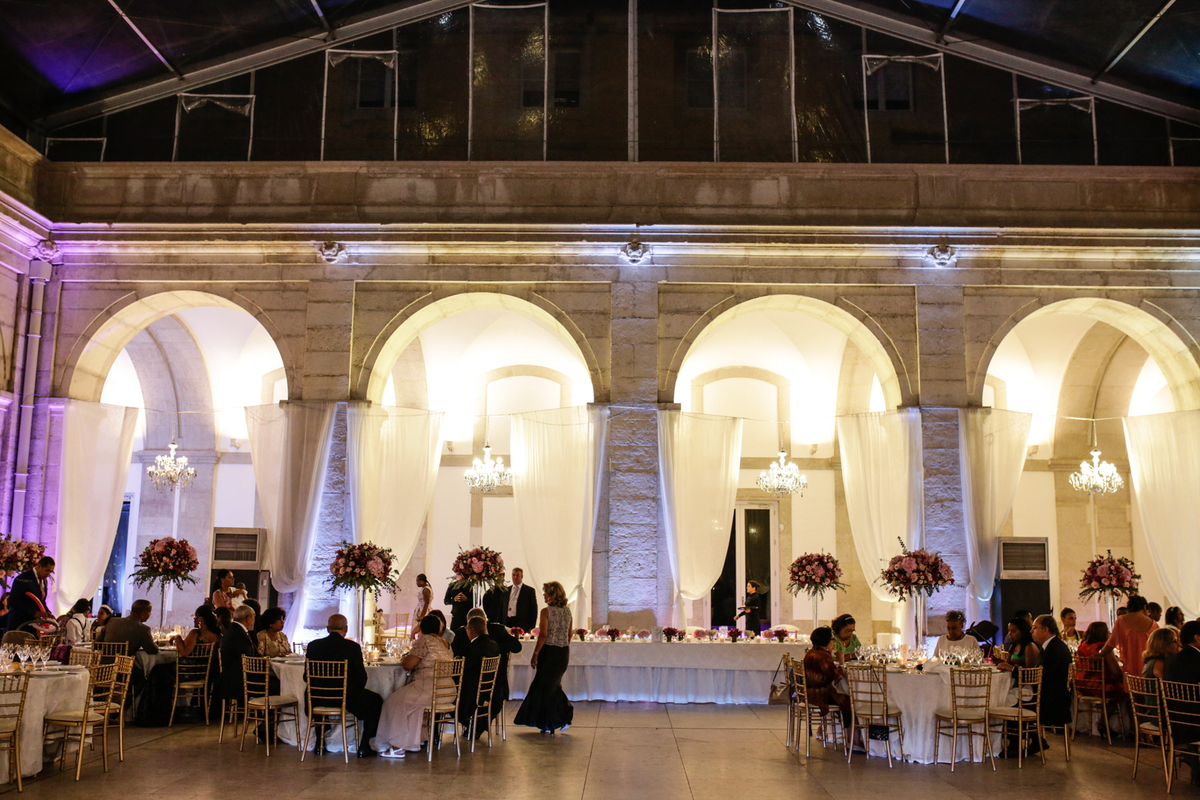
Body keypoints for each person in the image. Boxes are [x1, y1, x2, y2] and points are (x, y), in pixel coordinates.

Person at [305, 613, 383, 758]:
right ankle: (364, 744)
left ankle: (318, 743)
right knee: (376, 700)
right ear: (346, 629)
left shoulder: (313, 646)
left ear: (327, 629)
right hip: (345, 698)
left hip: (317, 698)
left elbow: (306, 677)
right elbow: (361, 679)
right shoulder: (352, 647)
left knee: (314, 694)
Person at [375, 614, 453, 758]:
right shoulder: (445, 643)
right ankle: (415, 740)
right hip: (447, 691)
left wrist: (406, 656)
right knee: (409, 703)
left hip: (428, 689)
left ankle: (398, 746)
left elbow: (407, 665)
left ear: (421, 628)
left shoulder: (424, 640)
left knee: (392, 702)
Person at [514, 581, 573, 733]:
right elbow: (569, 634)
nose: (544, 596)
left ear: (553, 594)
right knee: (550, 686)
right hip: (563, 653)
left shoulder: (545, 612)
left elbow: (544, 635)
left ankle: (562, 715)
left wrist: (535, 654)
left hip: (549, 652)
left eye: (546, 593)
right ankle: (548, 721)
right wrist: (563, 646)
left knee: (547, 687)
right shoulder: (568, 611)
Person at [453, 614, 500, 736]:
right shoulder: (493, 644)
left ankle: (470, 724)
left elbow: (463, 669)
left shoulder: (472, 648)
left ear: (471, 630)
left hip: (471, 692)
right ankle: (476, 725)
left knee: (446, 695)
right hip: (489, 689)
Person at [1031, 615, 1073, 730]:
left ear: (1045, 629)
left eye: (1034, 628)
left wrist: (1014, 671)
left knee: (1011, 705)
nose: (1031, 631)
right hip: (1053, 697)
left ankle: (1031, 742)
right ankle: (1035, 741)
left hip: (1052, 703)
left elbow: (1042, 676)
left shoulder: (1054, 649)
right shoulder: (1053, 645)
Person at [803, 627, 850, 725]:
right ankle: (850, 733)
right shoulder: (823, 656)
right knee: (851, 702)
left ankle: (834, 731)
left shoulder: (811, 652)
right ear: (826, 641)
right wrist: (841, 661)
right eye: (832, 640)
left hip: (808, 693)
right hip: (820, 695)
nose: (834, 643)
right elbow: (835, 677)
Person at [1103, 594, 1158, 677]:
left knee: (1131, 687)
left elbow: (1111, 642)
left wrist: (1100, 653)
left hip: (1129, 667)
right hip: (1148, 667)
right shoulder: (1153, 624)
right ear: (1144, 607)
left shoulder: (1121, 620)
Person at [1164, 621, 1200, 746]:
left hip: (1177, 722)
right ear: (1197, 638)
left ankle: (1192, 758)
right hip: (1196, 724)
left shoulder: (1170, 660)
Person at [218, 605, 257, 715]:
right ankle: (266, 723)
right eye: (254, 618)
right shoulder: (237, 634)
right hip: (237, 681)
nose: (254, 621)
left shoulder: (235, 629)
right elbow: (247, 657)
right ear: (248, 618)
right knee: (275, 686)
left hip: (232, 677)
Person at [1075, 621, 1126, 699]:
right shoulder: (1103, 647)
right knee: (1129, 690)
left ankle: (1107, 709)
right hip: (1100, 687)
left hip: (1081, 685)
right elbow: (1116, 671)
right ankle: (1114, 710)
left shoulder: (1082, 646)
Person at [6, 556, 54, 632]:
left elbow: (41, 601)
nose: (48, 574)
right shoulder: (23, 578)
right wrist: (34, 613)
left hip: (33, 625)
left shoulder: (44, 581)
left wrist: (46, 613)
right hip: (19, 623)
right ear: (39, 566)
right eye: (46, 570)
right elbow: (13, 602)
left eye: (50, 572)